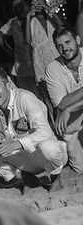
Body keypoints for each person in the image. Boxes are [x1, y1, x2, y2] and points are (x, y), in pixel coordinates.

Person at [0, 66, 66, 189]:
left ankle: (55, 178)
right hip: (21, 158)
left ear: (8, 85)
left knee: (48, 147)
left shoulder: (25, 98)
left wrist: (14, 145)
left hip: (43, 155)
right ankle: (25, 178)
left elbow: (45, 132)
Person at [45, 25, 83, 174]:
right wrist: (66, 107)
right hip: (72, 127)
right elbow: (61, 103)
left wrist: (70, 109)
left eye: (68, 42)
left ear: (78, 40)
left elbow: (66, 106)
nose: (65, 48)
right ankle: (64, 152)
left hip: (72, 114)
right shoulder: (52, 68)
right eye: (59, 46)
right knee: (80, 169)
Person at [25, 0, 63, 113]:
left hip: (58, 61)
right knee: (49, 99)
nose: (38, 5)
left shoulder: (51, 18)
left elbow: (61, 26)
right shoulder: (31, 22)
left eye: (40, 2)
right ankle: (54, 126)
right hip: (41, 66)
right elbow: (27, 41)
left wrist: (48, 8)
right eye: (35, 3)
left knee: (62, 95)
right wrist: (28, 16)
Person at [0, 0, 38, 94]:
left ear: (29, 5)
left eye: (22, 5)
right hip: (22, 66)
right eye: (16, 8)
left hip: (39, 63)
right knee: (29, 95)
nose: (20, 9)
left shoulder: (37, 18)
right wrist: (11, 52)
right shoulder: (13, 22)